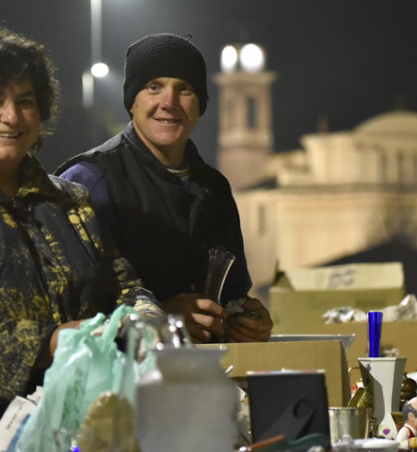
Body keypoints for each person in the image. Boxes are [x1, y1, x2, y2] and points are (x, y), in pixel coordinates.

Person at [0, 23, 162, 452]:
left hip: (76, 451)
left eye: (26, 101)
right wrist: (49, 343)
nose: (11, 117)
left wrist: (147, 320)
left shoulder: (69, 201)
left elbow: (127, 287)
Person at [56, 33, 272, 345]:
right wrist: (160, 320)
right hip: (119, 383)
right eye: (153, 87)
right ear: (133, 101)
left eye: (184, 89)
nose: (168, 103)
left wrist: (246, 319)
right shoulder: (87, 181)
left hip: (204, 377)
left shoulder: (213, 188)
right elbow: (67, 309)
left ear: (201, 104)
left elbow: (233, 290)